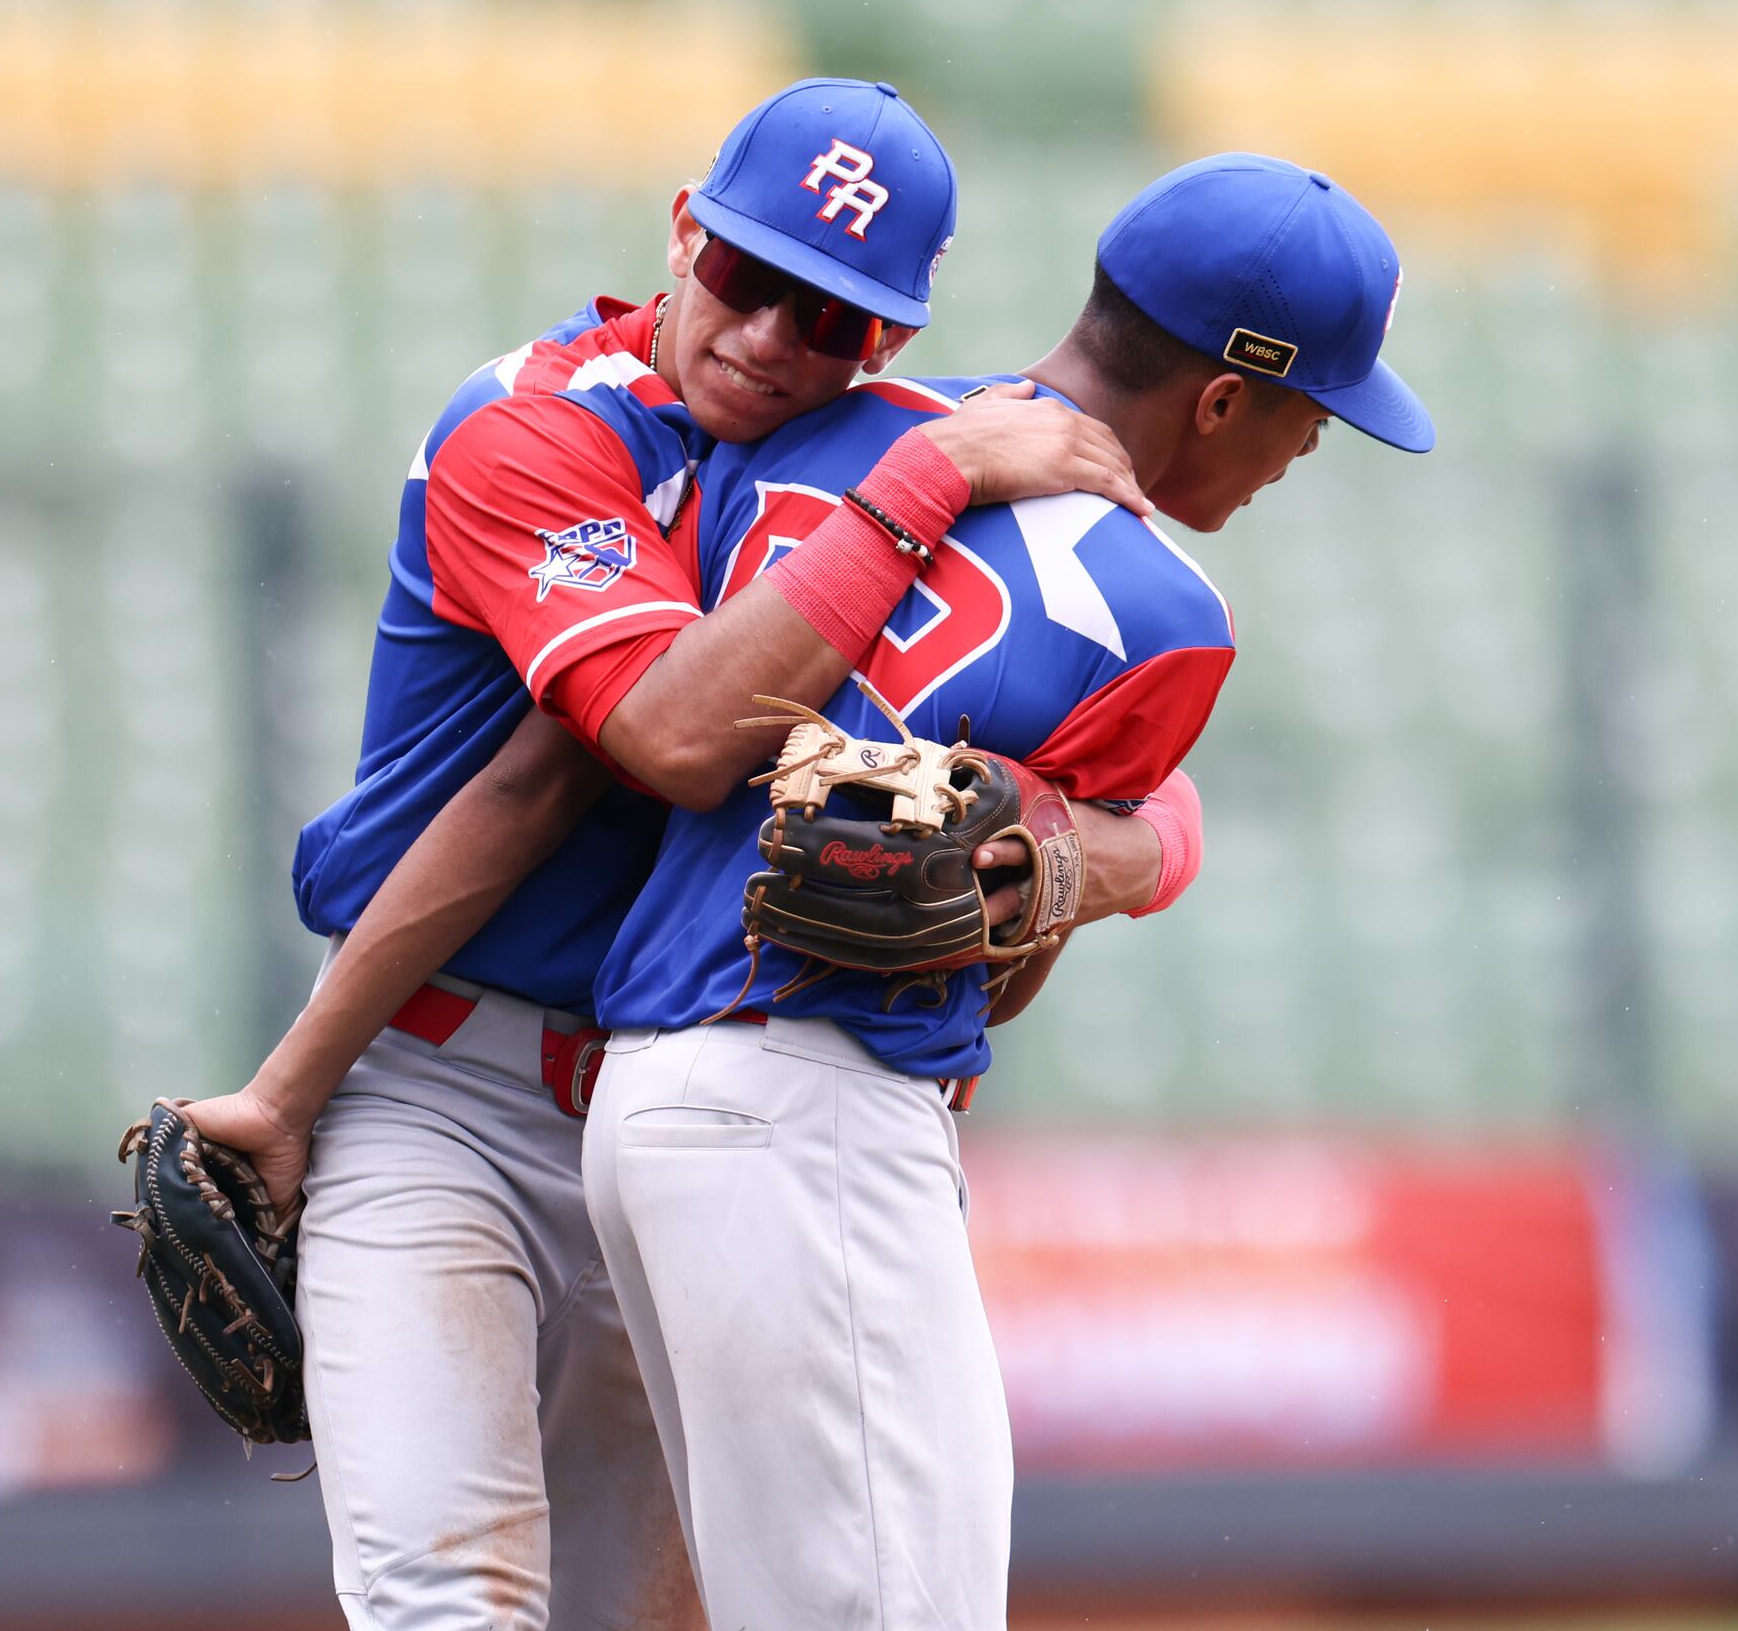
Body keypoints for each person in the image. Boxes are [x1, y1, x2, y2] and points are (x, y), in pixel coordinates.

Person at [176, 78, 1191, 1630]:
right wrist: (292, 1091)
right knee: (445, 1599)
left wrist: (1101, 850)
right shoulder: (541, 426)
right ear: (680, 232)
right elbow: (629, 746)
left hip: (672, 1125)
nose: (770, 336)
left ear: (889, 340)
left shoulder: (867, 463)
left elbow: (1139, 765)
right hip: (435, 1087)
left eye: (830, 316)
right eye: (746, 272)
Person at [580, 153, 1434, 1629]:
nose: (1305, 448)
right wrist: (1136, 848)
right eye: (1310, 411)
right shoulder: (1167, 615)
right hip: (820, 1110)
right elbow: (999, 953)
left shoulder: (829, 430)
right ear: (1222, 400)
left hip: (640, 1097)